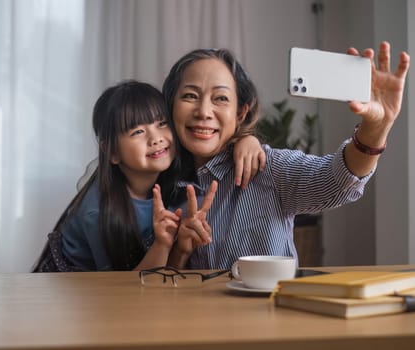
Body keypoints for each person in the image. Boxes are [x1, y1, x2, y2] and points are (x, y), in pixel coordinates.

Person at [162, 42, 410, 269]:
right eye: (190, 96)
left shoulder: (267, 168)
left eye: (221, 98)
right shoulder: (158, 180)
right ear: (171, 105)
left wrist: (376, 128)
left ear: (240, 113)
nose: (204, 111)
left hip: (269, 316)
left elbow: (336, 180)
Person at [32, 80, 264, 272]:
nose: (156, 138)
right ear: (112, 152)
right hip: (81, 298)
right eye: (138, 132)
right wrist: (163, 244)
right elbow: (124, 294)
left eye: (162, 124)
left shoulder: (175, 180)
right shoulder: (99, 211)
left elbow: (163, 278)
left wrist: (248, 140)